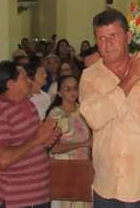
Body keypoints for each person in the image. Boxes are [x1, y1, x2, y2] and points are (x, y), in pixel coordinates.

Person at [80, 8, 140, 207]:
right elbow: (95, 118)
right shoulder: (90, 77)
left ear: (128, 37)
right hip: (108, 186)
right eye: (101, 39)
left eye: (113, 36)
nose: (108, 44)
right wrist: (131, 78)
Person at [0, 61, 59, 208]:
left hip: (39, 193)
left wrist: (47, 139)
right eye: (24, 78)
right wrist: (37, 140)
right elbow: (3, 160)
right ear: (11, 84)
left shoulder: (29, 105)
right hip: (17, 198)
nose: (30, 81)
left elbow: (33, 145)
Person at [47, 74, 92, 208]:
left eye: (75, 88)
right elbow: (53, 148)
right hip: (64, 171)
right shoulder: (56, 115)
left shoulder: (83, 110)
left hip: (83, 170)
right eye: (67, 89)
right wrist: (84, 144)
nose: (73, 92)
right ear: (60, 93)